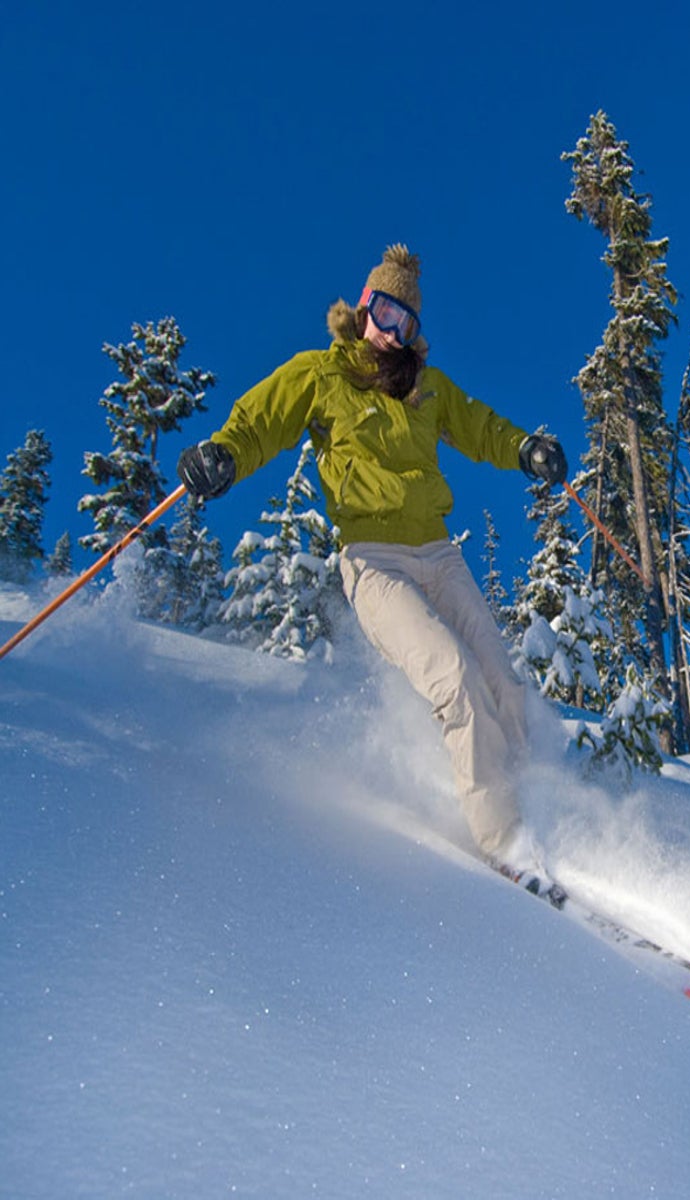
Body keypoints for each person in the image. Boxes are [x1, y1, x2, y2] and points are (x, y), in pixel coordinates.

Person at [177, 243, 567, 881]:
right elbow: (260, 423)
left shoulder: (427, 389)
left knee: (505, 685)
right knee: (456, 680)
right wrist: (222, 455)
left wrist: (525, 448)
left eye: (406, 323)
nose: (392, 333)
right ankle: (507, 848)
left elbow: (479, 427)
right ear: (362, 309)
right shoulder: (320, 375)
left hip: (439, 555)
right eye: (384, 313)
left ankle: (538, 811)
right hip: (374, 562)